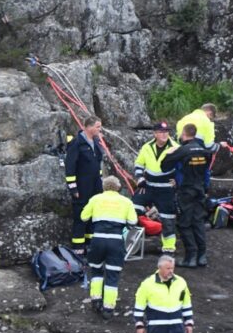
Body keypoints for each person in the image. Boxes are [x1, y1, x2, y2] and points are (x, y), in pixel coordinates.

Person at [161, 123, 220, 268]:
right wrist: (205, 189)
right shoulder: (205, 151)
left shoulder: (183, 150)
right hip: (200, 190)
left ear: (184, 133)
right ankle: (202, 256)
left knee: (184, 224)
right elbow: (207, 172)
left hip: (186, 191)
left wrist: (169, 153)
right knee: (198, 221)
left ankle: (190, 257)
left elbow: (164, 166)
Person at [80, 176, 138, 319]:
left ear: (104, 187)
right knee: (112, 276)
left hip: (98, 239)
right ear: (118, 187)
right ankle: (108, 309)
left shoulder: (95, 199)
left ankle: (96, 300)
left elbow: (83, 217)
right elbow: (133, 221)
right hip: (116, 241)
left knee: (96, 271)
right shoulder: (126, 201)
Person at [132, 122, 179, 255]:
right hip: (148, 186)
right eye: (161, 131)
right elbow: (139, 164)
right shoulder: (147, 147)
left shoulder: (176, 147)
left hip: (166, 189)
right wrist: (140, 179)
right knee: (133, 209)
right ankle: (132, 243)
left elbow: (183, 167)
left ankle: (169, 248)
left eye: (166, 131)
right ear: (155, 133)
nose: (164, 134)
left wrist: (178, 180)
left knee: (168, 218)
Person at [64, 116, 105, 255]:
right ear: (89, 127)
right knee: (81, 216)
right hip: (82, 187)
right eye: (98, 127)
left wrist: (100, 181)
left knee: (93, 216)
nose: (100, 130)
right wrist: (73, 187)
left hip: (95, 187)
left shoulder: (96, 142)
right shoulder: (76, 144)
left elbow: (97, 165)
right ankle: (78, 249)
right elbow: (70, 167)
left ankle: (90, 245)